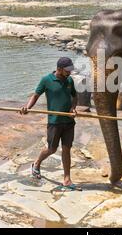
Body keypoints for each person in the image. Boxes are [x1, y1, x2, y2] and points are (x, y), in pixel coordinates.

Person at [20, 57, 79, 190]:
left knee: (66, 149)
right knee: (51, 149)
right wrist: (27, 108)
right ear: (59, 69)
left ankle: (67, 179)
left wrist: (73, 108)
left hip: (69, 121)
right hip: (54, 122)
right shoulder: (46, 80)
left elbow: (75, 96)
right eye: (67, 70)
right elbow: (35, 95)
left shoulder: (69, 80)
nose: (69, 73)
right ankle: (36, 163)